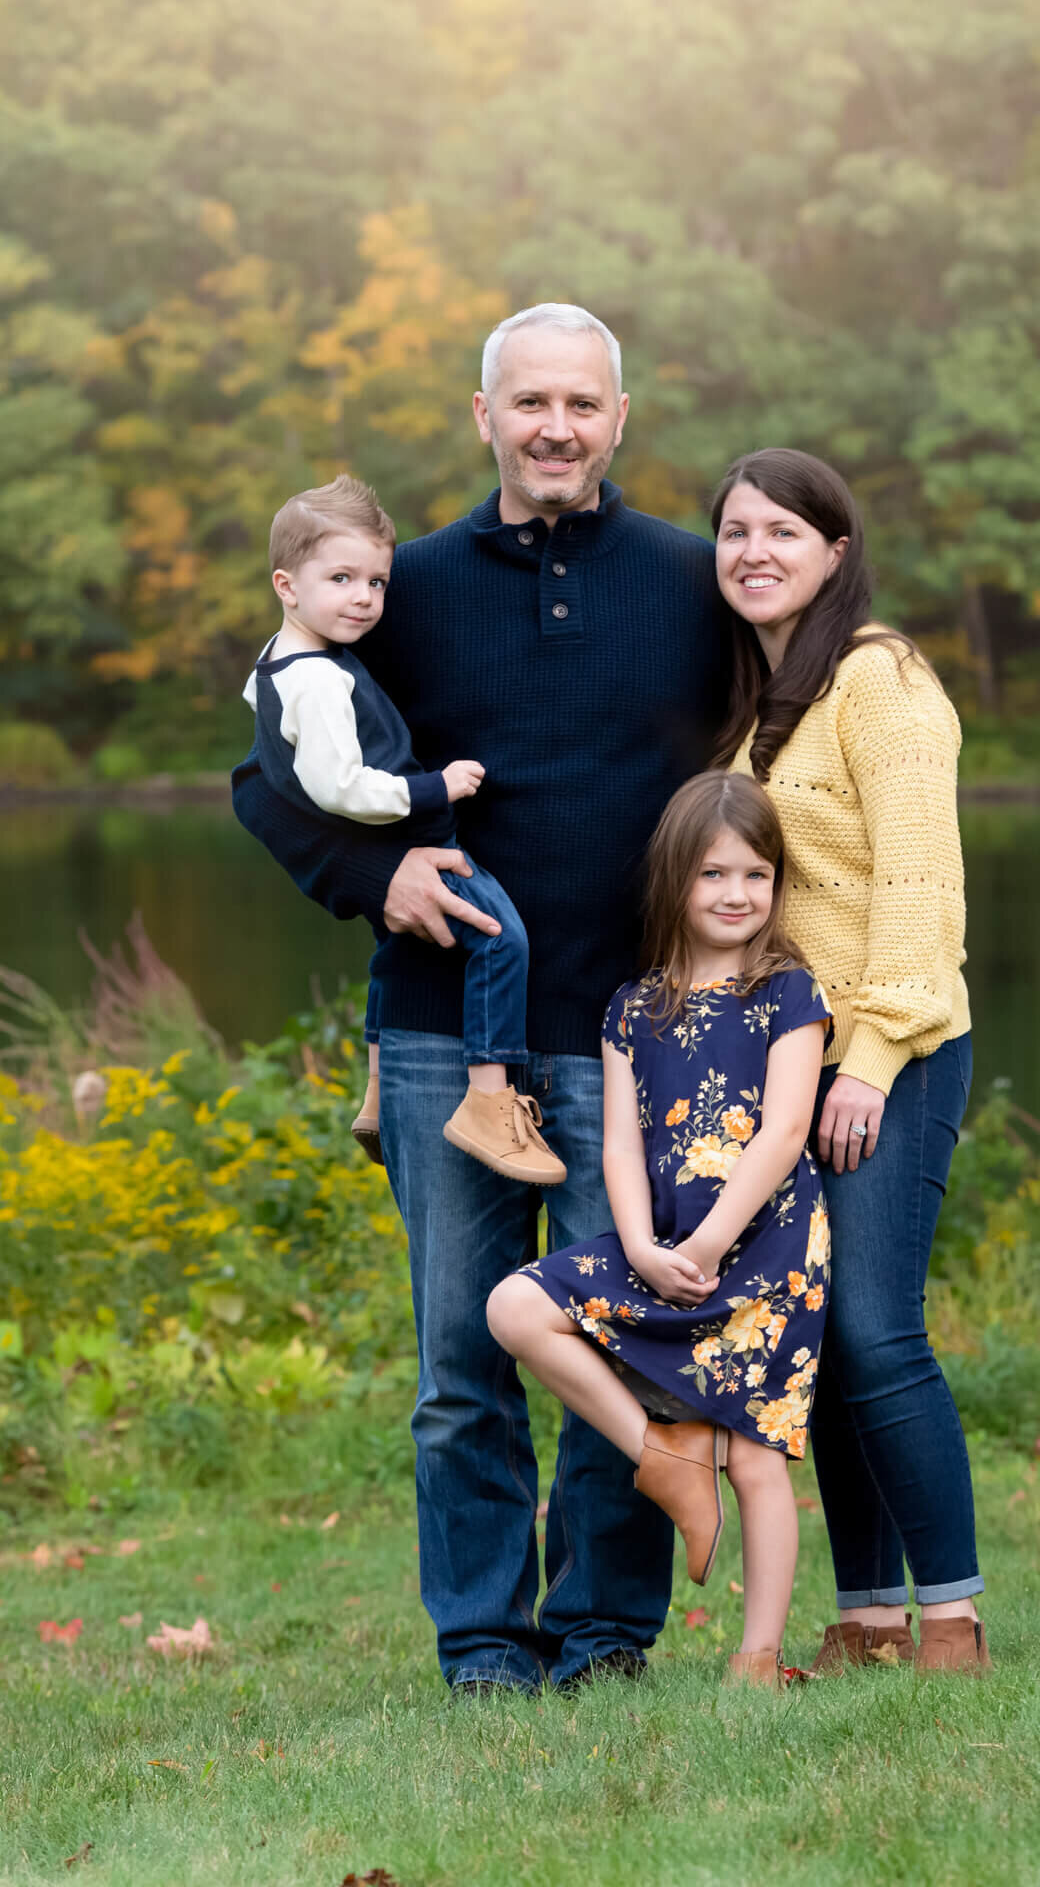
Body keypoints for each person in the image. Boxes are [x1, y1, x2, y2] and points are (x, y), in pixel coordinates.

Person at [232, 303, 733, 1693]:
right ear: (483, 416)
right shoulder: (402, 591)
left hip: (643, 1040)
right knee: (462, 1368)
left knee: (621, 1353)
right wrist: (367, 874)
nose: (556, 427)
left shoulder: (693, 584)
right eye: (530, 404)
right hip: (452, 1040)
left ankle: (603, 1637)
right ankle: (482, 1648)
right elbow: (263, 777)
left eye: (581, 404)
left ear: (618, 420)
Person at [711, 447, 988, 1672]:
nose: (753, 551)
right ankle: (867, 1614)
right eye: (733, 531)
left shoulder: (882, 682)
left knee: (878, 1329)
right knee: (818, 1339)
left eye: (782, 531)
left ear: (834, 551)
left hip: (895, 1048)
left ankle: (953, 1619)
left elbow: (923, 891)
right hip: (789, 1060)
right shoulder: (757, 699)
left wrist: (868, 1059)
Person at [487, 771, 833, 1689]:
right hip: (662, 1245)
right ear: (675, 880)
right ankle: (662, 1453)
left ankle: (758, 1656)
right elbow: (617, 1145)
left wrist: (714, 1241)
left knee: (759, 1457)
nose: (735, 895)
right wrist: (637, 1245)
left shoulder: (788, 991)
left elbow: (786, 1130)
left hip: (763, 1253)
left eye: (755, 876)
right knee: (515, 1307)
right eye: (714, 874)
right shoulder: (632, 1009)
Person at [243, 472, 564, 1187]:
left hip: (393, 849)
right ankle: (487, 1099)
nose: (363, 598)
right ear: (287, 585)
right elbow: (338, 786)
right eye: (342, 579)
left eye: (377, 583)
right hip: (413, 843)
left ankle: (375, 1085)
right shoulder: (321, 680)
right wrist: (434, 785)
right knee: (498, 938)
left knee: (393, 952)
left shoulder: (280, 662)